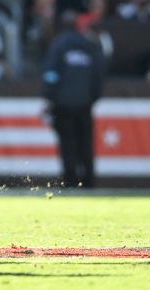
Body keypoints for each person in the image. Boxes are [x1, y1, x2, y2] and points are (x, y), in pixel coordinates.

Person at [42, 11, 105, 188]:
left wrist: (49, 98)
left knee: (67, 142)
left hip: (63, 105)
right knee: (85, 143)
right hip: (84, 103)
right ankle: (89, 180)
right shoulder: (88, 45)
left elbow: (51, 74)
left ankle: (70, 180)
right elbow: (98, 76)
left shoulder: (58, 45)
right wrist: (91, 98)